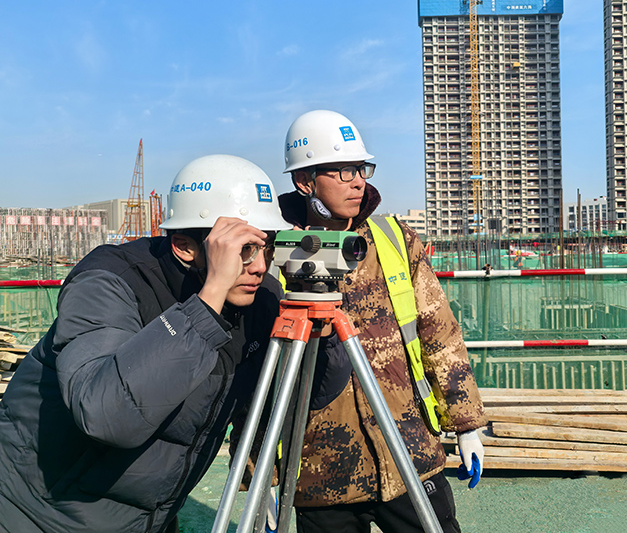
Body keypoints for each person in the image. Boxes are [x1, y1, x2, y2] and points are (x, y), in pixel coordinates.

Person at [0, 155, 292, 533]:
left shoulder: (257, 295)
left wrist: (320, 318)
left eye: (266, 246)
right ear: (186, 246)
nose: (259, 266)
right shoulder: (110, 281)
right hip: (41, 514)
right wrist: (211, 296)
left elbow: (308, 397)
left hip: (148, 517)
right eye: (243, 249)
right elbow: (106, 415)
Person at [276, 109, 487, 532]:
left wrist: (465, 423)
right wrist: (258, 473)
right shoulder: (275, 253)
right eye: (341, 171)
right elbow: (256, 366)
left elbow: (439, 334)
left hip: (408, 453)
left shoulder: (394, 239)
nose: (358, 180)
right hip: (320, 470)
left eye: (361, 168)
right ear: (305, 182)